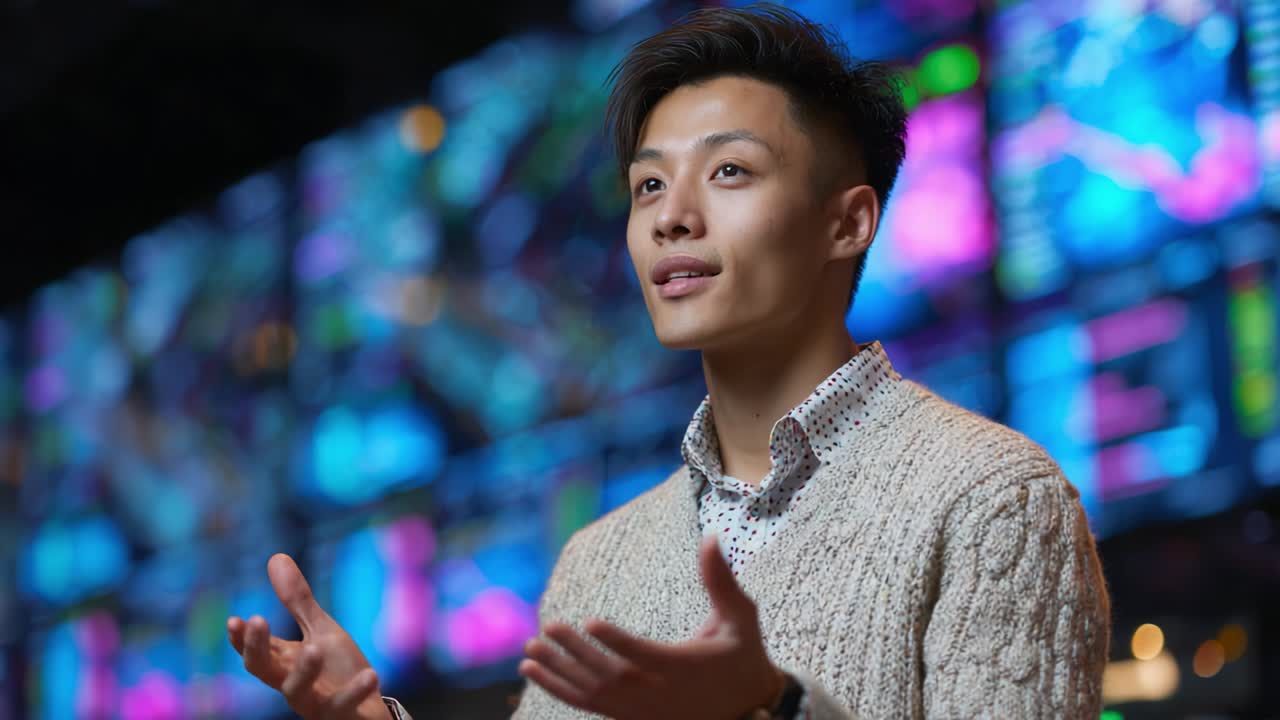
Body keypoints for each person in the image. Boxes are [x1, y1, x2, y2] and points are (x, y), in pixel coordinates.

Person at [227, 4, 1112, 719]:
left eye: (729, 172)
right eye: (649, 184)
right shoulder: (598, 560)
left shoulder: (993, 498)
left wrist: (777, 707)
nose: (670, 217)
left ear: (849, 222)